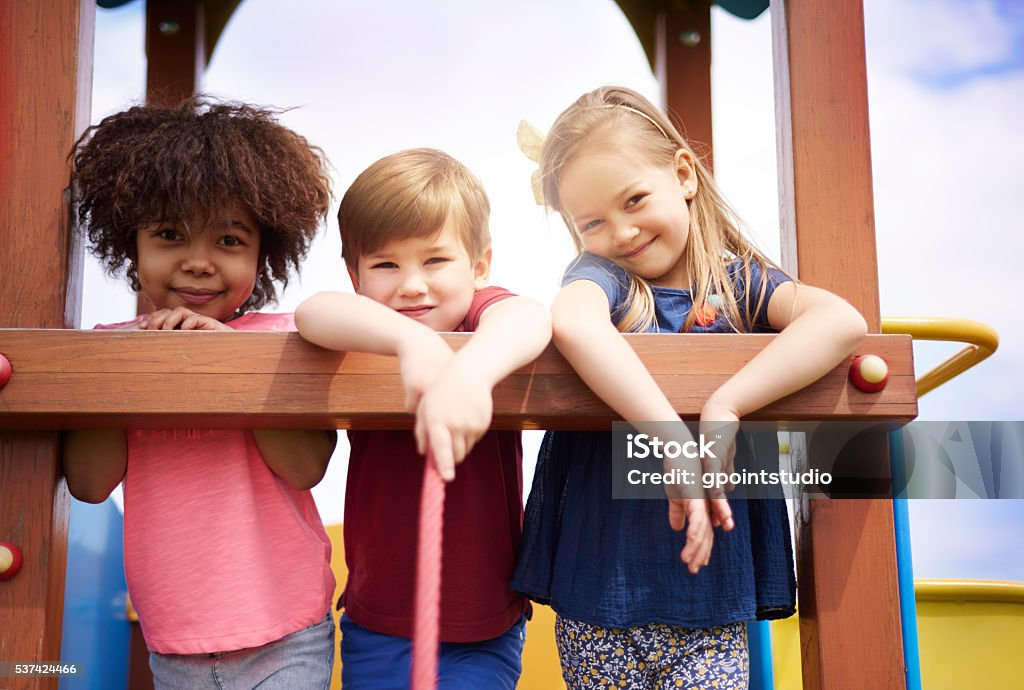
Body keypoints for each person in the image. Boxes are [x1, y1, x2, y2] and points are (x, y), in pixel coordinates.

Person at [511, 86, 868, 689]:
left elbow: (841, 321)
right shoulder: (604, 279)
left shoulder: (739, 285)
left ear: (683, 174)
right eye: (592, 222)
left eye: (634, 199)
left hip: (710, 596)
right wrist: (671, 438)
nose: (621, 231)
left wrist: (728, 402)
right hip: (602, 584)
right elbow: (572, 321)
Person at [62, 99, 338, 690]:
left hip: (286, 628)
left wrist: (227, 359)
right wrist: (127, 370)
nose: (198, 261)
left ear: (265, 251)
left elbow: (305, 466)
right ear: (130, 245)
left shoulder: (285, 338)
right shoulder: (110, 350)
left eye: (229, 240)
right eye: (168, 234)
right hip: (174, 636)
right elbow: (89, 484)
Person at [295, 148, 551, 690]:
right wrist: (411, 342)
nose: (411, 285)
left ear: (479, 265)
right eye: (386, 265)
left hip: (483, 623)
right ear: (356, 274)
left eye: (435, 261)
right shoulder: (369, 328)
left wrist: (472, 373)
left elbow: (530, 318)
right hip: (378, 619)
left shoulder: (484, 316)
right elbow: (311, 312)